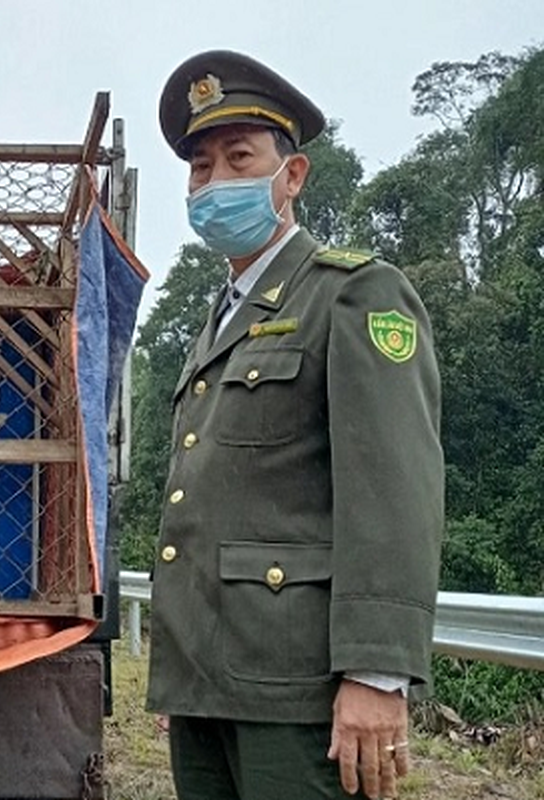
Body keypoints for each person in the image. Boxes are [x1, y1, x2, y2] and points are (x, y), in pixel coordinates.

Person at [147, 50, 444, 800]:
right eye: (199, 167)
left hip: (297, 687)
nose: (214, 182)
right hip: (209, 683)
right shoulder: (217, 318)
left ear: (293, 176)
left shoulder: (350, 293)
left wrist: (376, 673)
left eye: (237, 158)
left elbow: (394, 489)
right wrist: (187, 671)